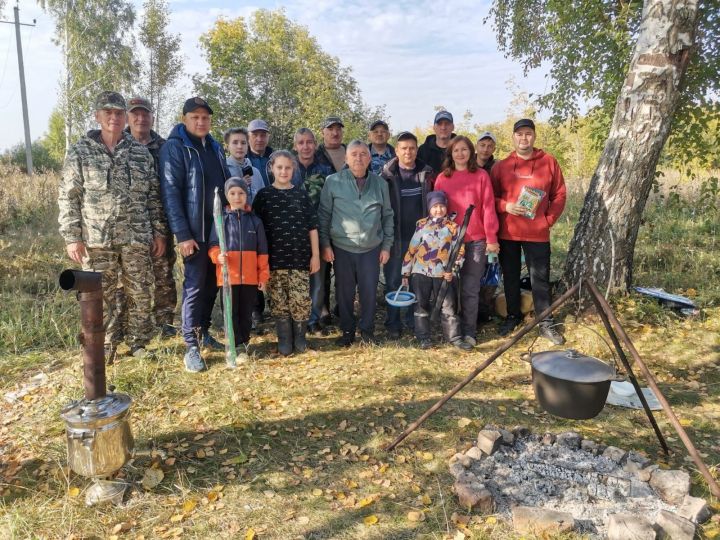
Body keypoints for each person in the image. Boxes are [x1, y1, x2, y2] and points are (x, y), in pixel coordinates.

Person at [58, 91, 166, 362]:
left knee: (139, 291)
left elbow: (153, 196)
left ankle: (139, 342)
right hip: (97, 238)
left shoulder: (140, 153)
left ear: (125, 117)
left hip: (136, 236)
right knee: (99, 294)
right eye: (108, 112)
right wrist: (72, 236)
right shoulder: (80, 151)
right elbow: (69, 195)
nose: (114, 118)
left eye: (119, 113)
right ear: (97, 115)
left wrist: (159, 231)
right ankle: (106, 344)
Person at [160, 96, 230, 373]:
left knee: (213, 284)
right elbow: (170, 193)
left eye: (205, 117)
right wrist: (182, 234)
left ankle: (203, 332)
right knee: (194, 286)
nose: (201, 122)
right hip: (194, 232)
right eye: (195, 117)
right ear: (184, 119)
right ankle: (190, 345)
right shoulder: (176, 148)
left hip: (218, 231)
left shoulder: (214, 146)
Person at [491, 118, 567, 345]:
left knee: (540, 279)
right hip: (509, 233)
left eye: (528, 134)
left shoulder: (549, 162)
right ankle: (513, 316)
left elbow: (560, 194)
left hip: (537, 233)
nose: (524, 138)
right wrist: (506, 206)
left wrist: (548, 220)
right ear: (513, 137)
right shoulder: (501, 166)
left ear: (534, 136)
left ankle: (545, 322)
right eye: (519, 134)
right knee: (511, 277)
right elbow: (490, 198)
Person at [318, 140, 394, 347]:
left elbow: (387, 215)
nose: (358, 158)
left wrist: (386, 246)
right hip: (342, 247)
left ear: (369, 158)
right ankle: (348, 331)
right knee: (344, 293)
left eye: (363, 154)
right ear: (346, 158)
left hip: (371, 248)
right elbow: (324, 215)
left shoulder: (380, 184)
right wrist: (325, 244)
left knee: (369, 292)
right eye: (354, 154)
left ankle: (367, 331)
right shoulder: (333, 181)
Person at [252, 150, 320, 356]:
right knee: (279, 301)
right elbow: (255, 229)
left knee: (300, 300)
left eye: (288, 167)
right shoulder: (264, 196)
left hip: (299, 259)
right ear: (271, 168)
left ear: (294, 169)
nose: (283, 171)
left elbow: (312, 227)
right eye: (279, 167)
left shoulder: (301, 194)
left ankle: (300, 339)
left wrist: (315, 255)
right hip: (273, 261)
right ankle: (284, 339)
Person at [434, 135, 499, 347]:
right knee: (449, 286)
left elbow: (488, 208)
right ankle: (453, 332)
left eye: (464, 149)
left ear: (471, 152)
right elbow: (437, 211)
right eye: (456, 150)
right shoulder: (443, 178)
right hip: (450, 242)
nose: (460, 154)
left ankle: (470, 331)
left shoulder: (481, 176)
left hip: (476, 241)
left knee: (471, 288)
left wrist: (491, 238)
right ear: (450, 154)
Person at [124, 96, 177, 337]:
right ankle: (132, 327)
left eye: (145, 113)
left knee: (163, 272)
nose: (140, 118)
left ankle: (165, 322)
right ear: (128, 117)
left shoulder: (165, 147)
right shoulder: (118, 145)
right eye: (135, 113)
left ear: (152, 117)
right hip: (127, 225)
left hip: (160, 220)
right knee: (129, 278)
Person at [401, 191, 472, 351]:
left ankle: (454, 338)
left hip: (443, 274)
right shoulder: (421, 225)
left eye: (441, 206)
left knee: (448, 307)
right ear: (429, 208)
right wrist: (406, 271)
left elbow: (459, 251)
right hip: (421, 272)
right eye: (435, 206)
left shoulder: (453, 227)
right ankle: (423, 337)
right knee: (421, 305)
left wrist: (452, 271)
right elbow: (412, 248)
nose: (438, 209)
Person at [208, 178, 269, 363]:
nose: (237, 197)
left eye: (241, 193)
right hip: (229, 278)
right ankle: (233, 345)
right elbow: (213, 245)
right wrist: (217, 256)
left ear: (246, 195)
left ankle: (244, 342)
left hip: (250, 278)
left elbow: (263, 251)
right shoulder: (220, 220)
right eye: (233, 193)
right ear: (227, 196)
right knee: (231, 312)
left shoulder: (255, 221)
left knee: (246, 312)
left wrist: (263, 275)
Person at [380, 131, 434, 339]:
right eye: (404, 148)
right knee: (394, 280)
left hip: (421, 239)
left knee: (416, 280)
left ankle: (413, 320)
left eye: (412, 148)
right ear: (396, 151)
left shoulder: (426, 173)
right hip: (395, 237)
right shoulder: (387, 175)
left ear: (417, 149)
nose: (408, 152)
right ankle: (393, 322)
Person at [292, 128, 334, 335]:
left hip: (319, 232)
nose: (305, 146)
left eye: (309, 142)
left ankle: (313, 320)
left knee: (318, 280)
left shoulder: (326, 169)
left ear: (315, 144)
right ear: (295, 146)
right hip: (293, 234)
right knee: (297, 281)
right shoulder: (288, 168)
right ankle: (297, 321)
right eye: (301, 143)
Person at [475, 130, 499, 323]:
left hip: (492, 225)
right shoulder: (466, 165)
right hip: (472, 226)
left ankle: (485, 309)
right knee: (471, 271)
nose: (486, 149)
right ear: (476, 146)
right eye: (482, 145)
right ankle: (468, 310)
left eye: (490, 146)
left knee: (491, 269)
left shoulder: (498, 168)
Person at [224, 127, 264, 204]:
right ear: (227, 146)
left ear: (247, 145)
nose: (240, 146)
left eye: (243, 143)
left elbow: (262, 200)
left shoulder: (256, 172)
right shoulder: (222, 170)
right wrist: (240, 186)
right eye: (235, 142)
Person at [418, 110, 456, 175]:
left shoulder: (460, 149)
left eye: (447, 124)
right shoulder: (423, 150)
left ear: (453, 127)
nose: (443, 127)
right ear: (434, 127)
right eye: (440, 124)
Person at [247, 119, 274, 187]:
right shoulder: (241, 160)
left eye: (263, 135)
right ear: (248, 137)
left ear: (268, 137)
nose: (259, 139)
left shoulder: (276, 159)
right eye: (255, 135)